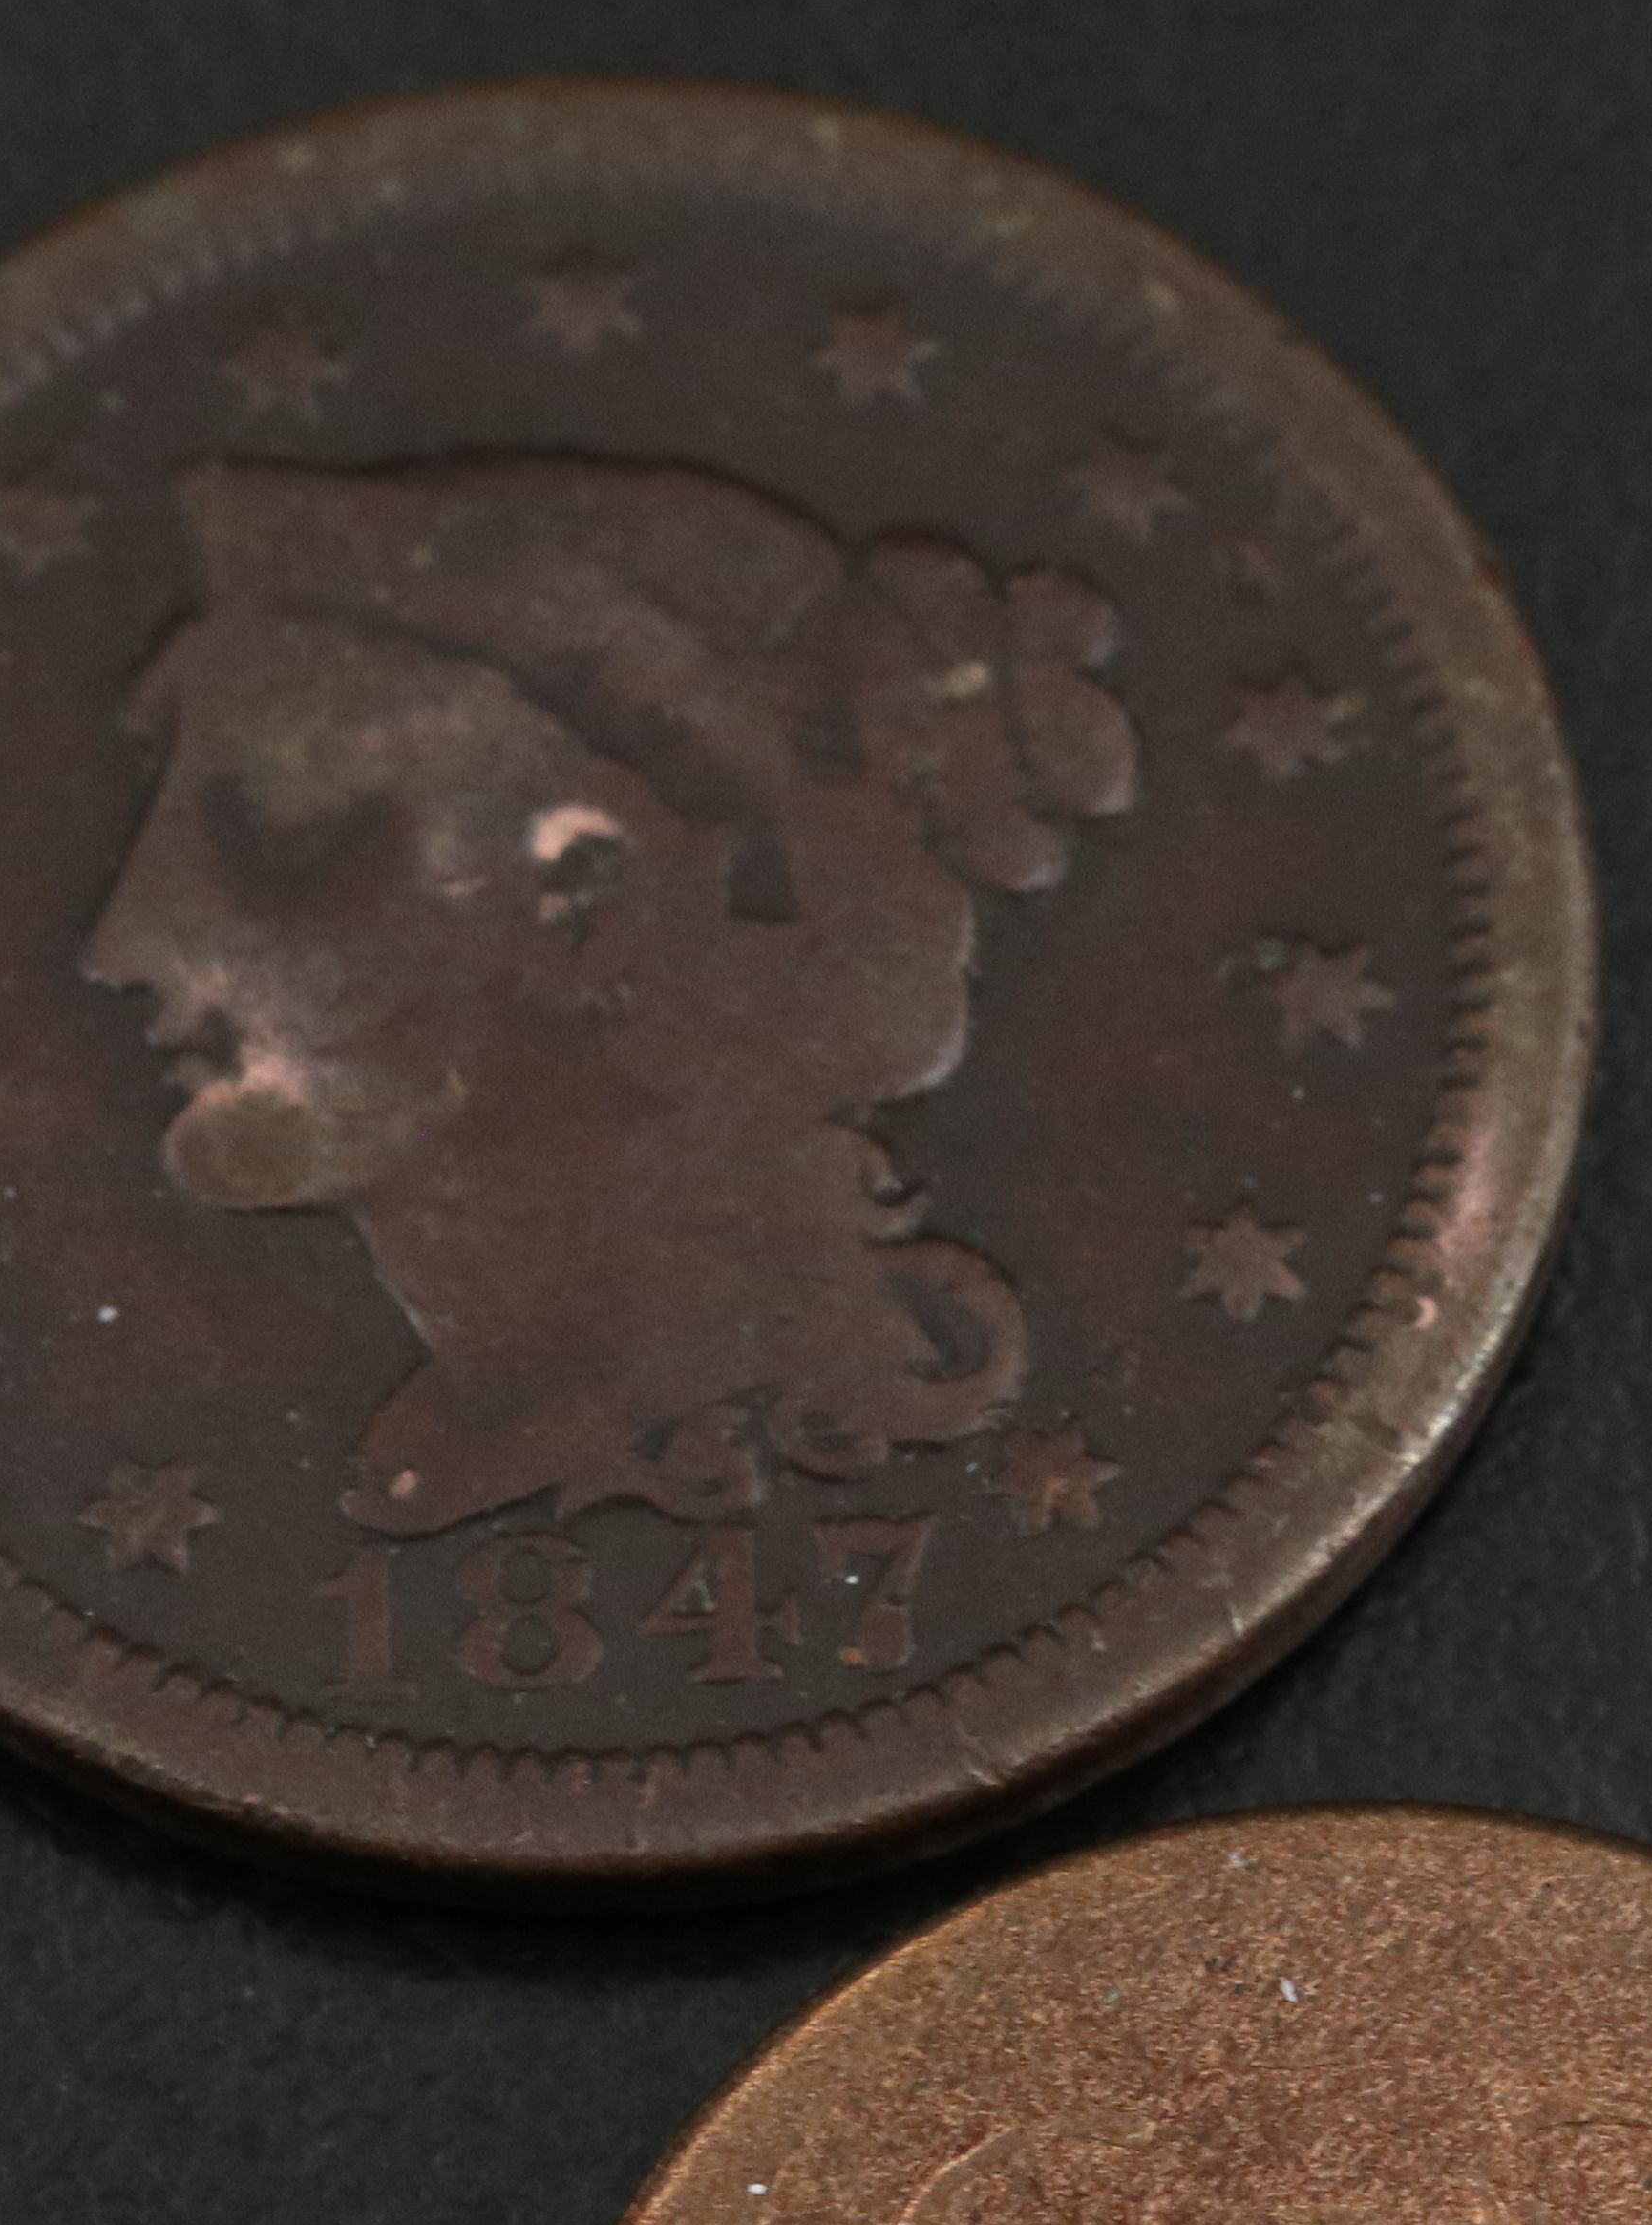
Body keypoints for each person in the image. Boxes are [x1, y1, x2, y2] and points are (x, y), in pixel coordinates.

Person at [83, 451, 1137, 1536]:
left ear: (588, 908)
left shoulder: (689, 1417)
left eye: (279, 842)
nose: (119, 942)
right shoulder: (441, 1446)